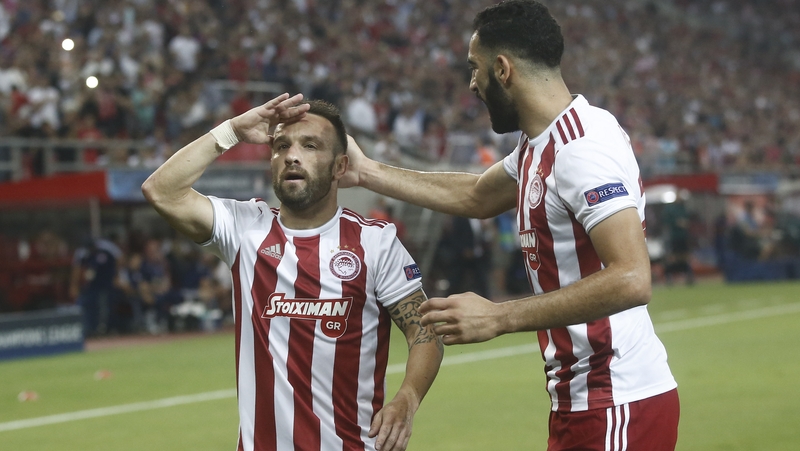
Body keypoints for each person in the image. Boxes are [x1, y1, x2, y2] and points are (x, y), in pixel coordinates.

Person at [340, 1, 679, 450]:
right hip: (583, 403)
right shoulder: (540, 144)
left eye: (474, 69)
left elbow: (633, 278)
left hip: (617, 401)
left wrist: (501, 316)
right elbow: (477, 195)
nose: (471, 84)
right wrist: (368, 173)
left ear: (502, 69)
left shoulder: (581, 149)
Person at [142, 93, 442, 451]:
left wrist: (407, 399)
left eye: (311, 145)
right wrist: (232, 130)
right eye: (281, 145)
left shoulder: (375, 242)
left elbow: (424, 330)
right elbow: (161, 191)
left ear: (340, 167)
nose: (292, 155)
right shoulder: (245, 229)